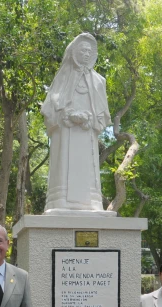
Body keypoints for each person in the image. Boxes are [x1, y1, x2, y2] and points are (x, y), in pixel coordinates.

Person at [41, 32, 111, 213]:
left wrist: (90, 119)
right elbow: (49, 108)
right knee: (64, 170)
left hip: (87, 134)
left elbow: (103, 114)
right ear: (73, 52)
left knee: (89, 173)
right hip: (66, 133)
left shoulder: (98, 81)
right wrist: (66, 116)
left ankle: (92, 202)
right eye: (82, 50)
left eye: (89, 51)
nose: (86, 54)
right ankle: (61, 200)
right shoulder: (62, 78)